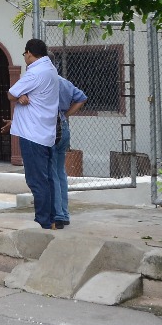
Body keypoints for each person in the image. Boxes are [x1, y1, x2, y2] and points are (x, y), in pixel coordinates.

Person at [8, 38, 61, 229]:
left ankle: (43, 221)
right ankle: (52, 218)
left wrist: (20, 95)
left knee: (37, 180)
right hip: (46, 133)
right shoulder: (51, 70)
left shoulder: (35, 72)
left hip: (32, 135)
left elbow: (11, 93)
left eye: (25, 54)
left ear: (29, 53)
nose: (25, 58)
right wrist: (23, 95)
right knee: (47, 179)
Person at [53, 76, 88, 227]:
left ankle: (58, 215)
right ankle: (64, 213)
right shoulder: (63, 82)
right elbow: (82, 98)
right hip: (63, 126)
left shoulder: (42, 80)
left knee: (51, 172)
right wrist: (65, 115)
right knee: (60, 171)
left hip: (51, 127)